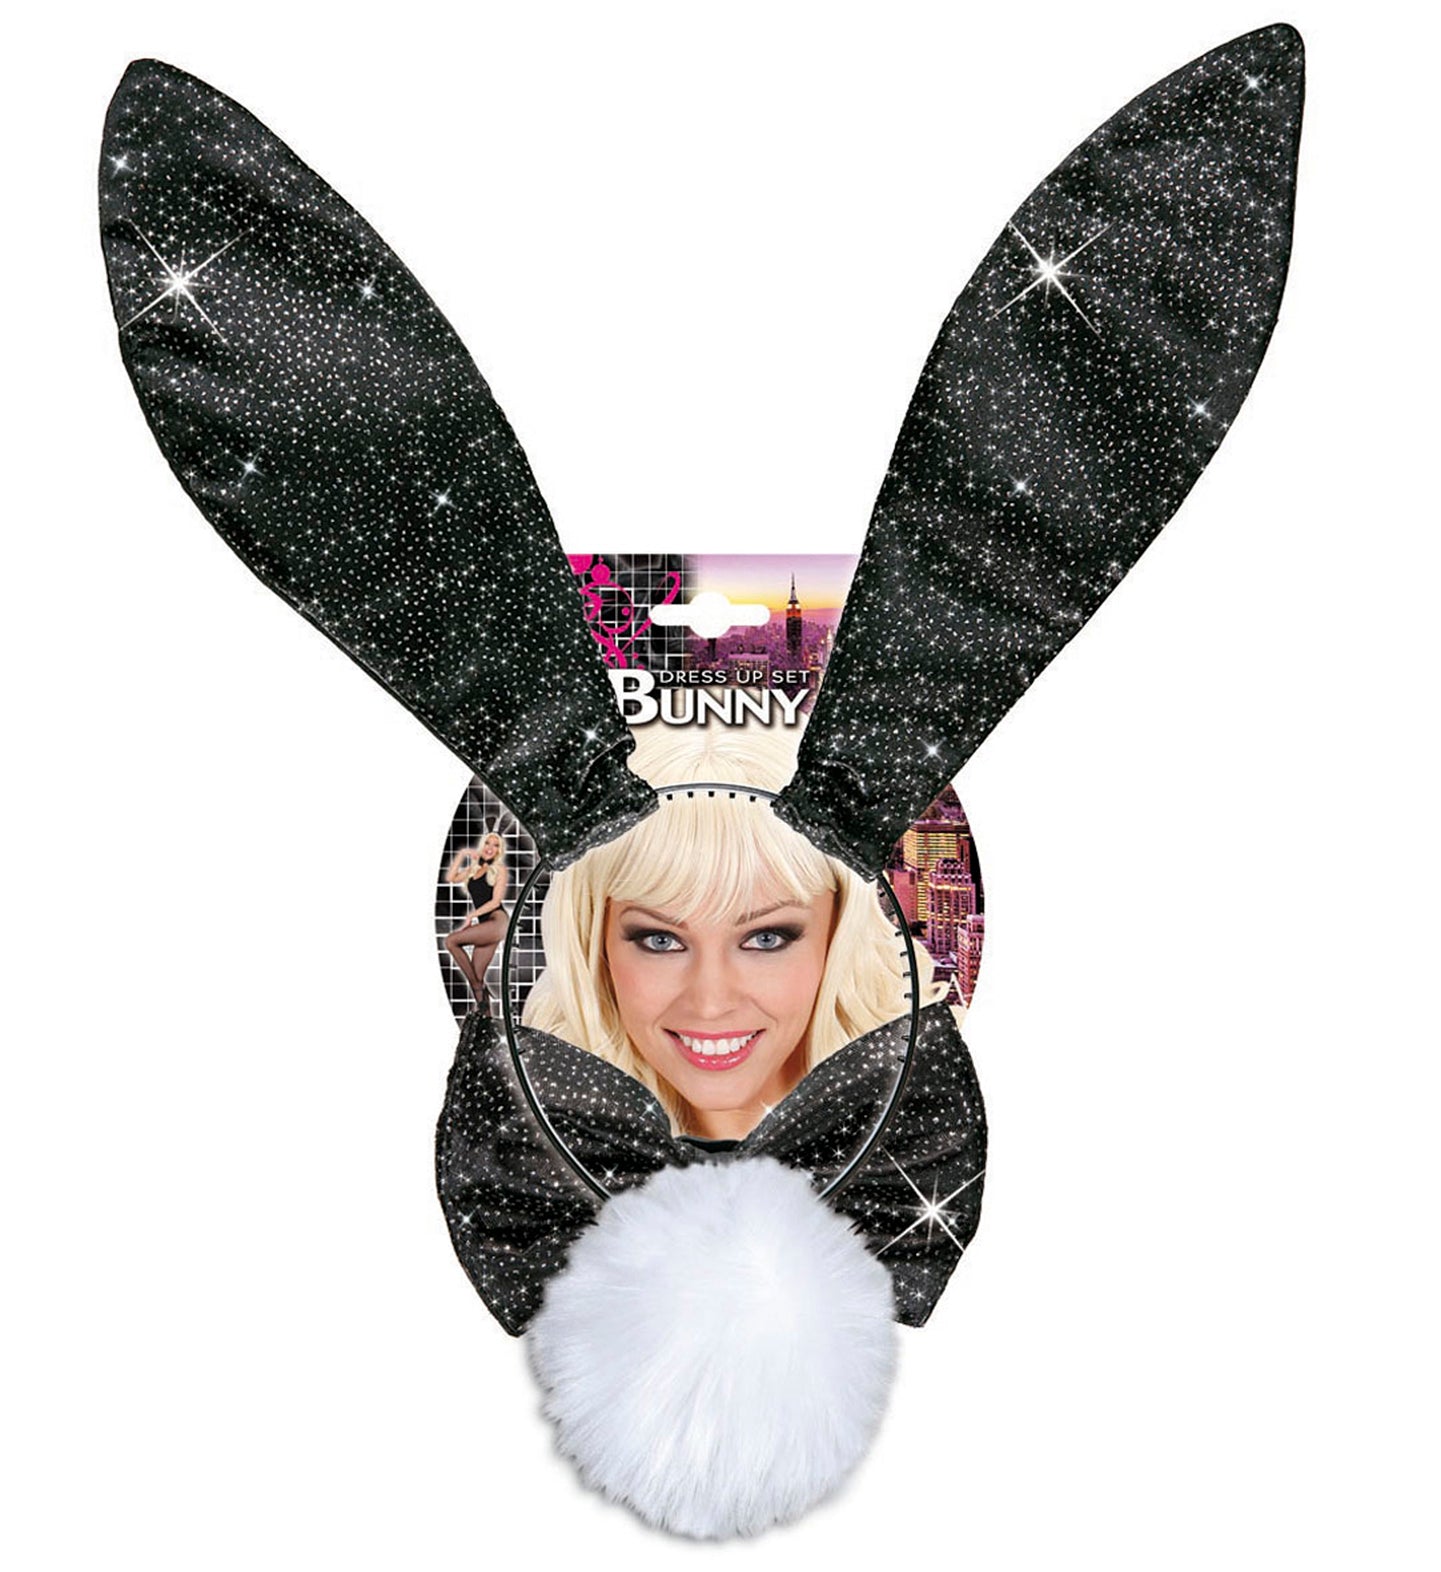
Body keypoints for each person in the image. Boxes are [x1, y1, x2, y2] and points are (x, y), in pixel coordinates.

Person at [523, 725, 944, 1139]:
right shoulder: (529, 1133)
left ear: (838, 932)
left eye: (766, 939)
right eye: (661, 941)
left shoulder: (928, 1115)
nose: (711, 1004)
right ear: (594, 942)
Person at [443, 831, 510, 1007]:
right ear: (482, 845)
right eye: (488, 843)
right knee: (477, 976)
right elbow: (450, 878)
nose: (490, 848)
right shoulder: (473, 869)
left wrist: (471, 915)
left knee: (451, 941)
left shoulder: (500, 869)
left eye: (496, 845)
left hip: (498, 921)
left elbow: (495, 902)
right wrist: (463, 853)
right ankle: (485, 1015)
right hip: (486, 924)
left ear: (499, 850)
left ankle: (478, 988)